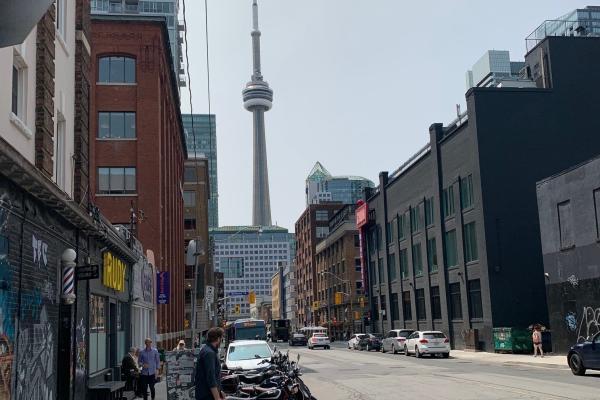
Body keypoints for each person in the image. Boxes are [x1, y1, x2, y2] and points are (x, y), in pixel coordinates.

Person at [195, 327, 224, 400]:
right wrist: (217, 398)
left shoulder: (207, 350)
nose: (221, 341)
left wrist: (220, 392)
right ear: (218, 339)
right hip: (207, 395)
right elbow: (211, 378)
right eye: (221, 338)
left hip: (205, 394)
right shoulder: (209, 353)